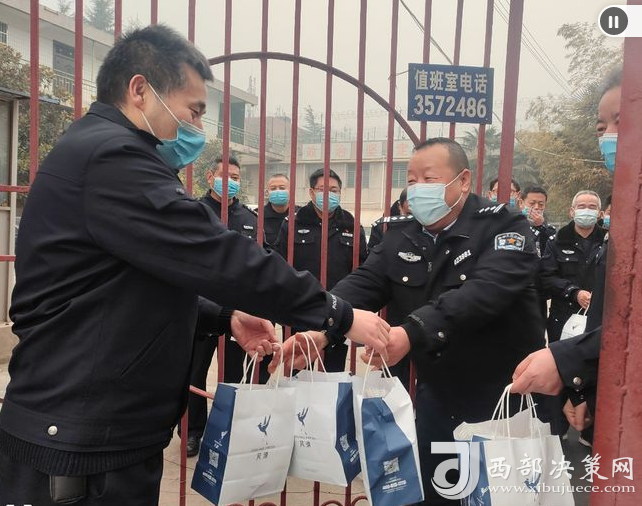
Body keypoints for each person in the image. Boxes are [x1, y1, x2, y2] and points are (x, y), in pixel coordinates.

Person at [0, 25, 390, 506]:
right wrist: (338, 314)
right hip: (77, 445)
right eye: (194, 110)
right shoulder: (113, 157)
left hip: (95, 430)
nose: (198, 128)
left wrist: (225, 316)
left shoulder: (103, 152)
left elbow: (130, 284)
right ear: (140, 90)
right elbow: (218, 254)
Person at [274, 138, 546, 505]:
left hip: (503, 398)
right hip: (439, 397)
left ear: (463, 180)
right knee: (438, 492)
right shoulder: (403, 234)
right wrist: (322, 330)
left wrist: (410, 332)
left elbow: (483, 293)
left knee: (500, 496)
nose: (418, 189)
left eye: (429, 179)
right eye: (412, 180)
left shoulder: (503, 226)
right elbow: (364, 282)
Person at [511, 67, 623, 439]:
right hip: (572, 330)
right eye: (601, 127)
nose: (609, 136)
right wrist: (586, 382)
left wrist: (568, 360)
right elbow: (547, 278)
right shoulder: (560, 240)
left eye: (621, 122)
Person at [185, 156, 269, 458]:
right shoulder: (193, 211)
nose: (230, 180)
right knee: (193, 372)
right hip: (200, 305)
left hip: (239, 308)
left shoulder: (249, 217)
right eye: (225, 175)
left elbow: (258, 261)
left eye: (235, 176)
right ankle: (193, 431)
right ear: (210, 177)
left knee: (235, 375)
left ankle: (232, 431)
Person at [274, 168, 367, 372]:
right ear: (311, 192)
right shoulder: (293, 223)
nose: (328, 194)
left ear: (340, 193)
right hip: (302, 307)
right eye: (323, 189)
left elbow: (361, 270)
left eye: (334, 190)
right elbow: (280, 265)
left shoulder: (351, 225)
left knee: (332, 373)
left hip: (338, 309)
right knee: (298, 370)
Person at [540, 190, 606, 343]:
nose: (586, 211)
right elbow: (546, 277)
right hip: (563, 317)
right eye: (581, 206)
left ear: (599, 213)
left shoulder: (608, 242)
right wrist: (574, 292)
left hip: (599, 318)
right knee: (561, 357)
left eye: (592, 207)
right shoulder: (556, 242)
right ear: (572, 211)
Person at [519, 186, 556, 319]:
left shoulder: (549, 230)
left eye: (541, 204)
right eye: (532, 203)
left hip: (538, 291)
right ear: (521, 203)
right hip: (516, 287)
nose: (536, 207)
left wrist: (541, 227)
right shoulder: (514, 225)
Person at [263, 172, 298, 248]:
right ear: (267, 193)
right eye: (273, 188)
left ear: (291, 191)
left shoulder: (300, 215)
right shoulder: (258, 216)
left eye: (282, 188)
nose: (277, 191)